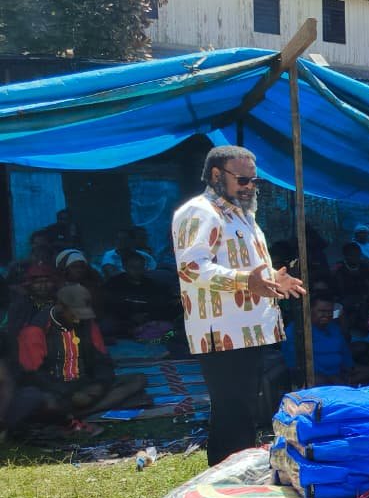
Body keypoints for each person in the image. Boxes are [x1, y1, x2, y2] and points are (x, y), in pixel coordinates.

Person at [172, 145, 305, 466]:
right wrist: (247, 281)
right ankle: (223, 480)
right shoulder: (200, 212)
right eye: (243, 180)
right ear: (216, 175)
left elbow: (247, 270)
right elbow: (192, 269)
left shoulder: (242, 216)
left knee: (244, 410)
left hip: (248, 331)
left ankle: (235, 475)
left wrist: (273, 279)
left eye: (254, 181)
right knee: (232, 411)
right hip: (222, 333)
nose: (250, 187)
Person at [16, 285, 147, 425]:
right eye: (74, 314)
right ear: (60, 307)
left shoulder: (87, 324)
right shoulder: (35, 330)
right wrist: (70, 394)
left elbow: (102, 360)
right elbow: (34, 375)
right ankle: (93, 407)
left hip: (84, 384)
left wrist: (99, 384)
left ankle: (79, 413)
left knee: (138, 379)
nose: (78, 319)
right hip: (54, 388)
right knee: (48, 403)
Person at [282, 295, 369, 386]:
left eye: (330, 311)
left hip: (338, 372)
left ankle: (341, 384)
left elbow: (345, 352)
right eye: (322, 311)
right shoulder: (296, 330)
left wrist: (347, 368)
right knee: (320, 381)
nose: (327, 315)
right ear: (309, 310)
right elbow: (293, 363)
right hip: (316, 375)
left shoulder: (334, 328)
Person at [100, 251, 180, 340]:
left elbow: (160, 303)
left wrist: (147, 315)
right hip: (121, 318)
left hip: (146, 319)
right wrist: (129, 316)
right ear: (124, 267)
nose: (137, 271)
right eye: (132, 267)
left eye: (140, 267)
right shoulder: (114, 283)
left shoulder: (151, 284)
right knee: (106, 326)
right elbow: (109, 304)